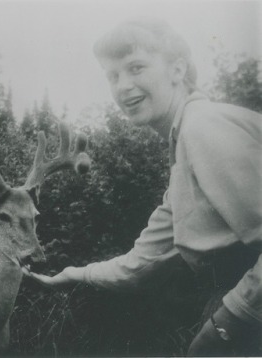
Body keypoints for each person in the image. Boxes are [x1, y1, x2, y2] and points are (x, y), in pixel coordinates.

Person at [23, 18, 261, 356]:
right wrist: (76, 274)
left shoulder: (203, 128)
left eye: (136, 68)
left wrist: (228, 324)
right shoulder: (184, 147)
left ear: (177, 70)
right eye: (113, 76)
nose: (122, 86)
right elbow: (142, 262)